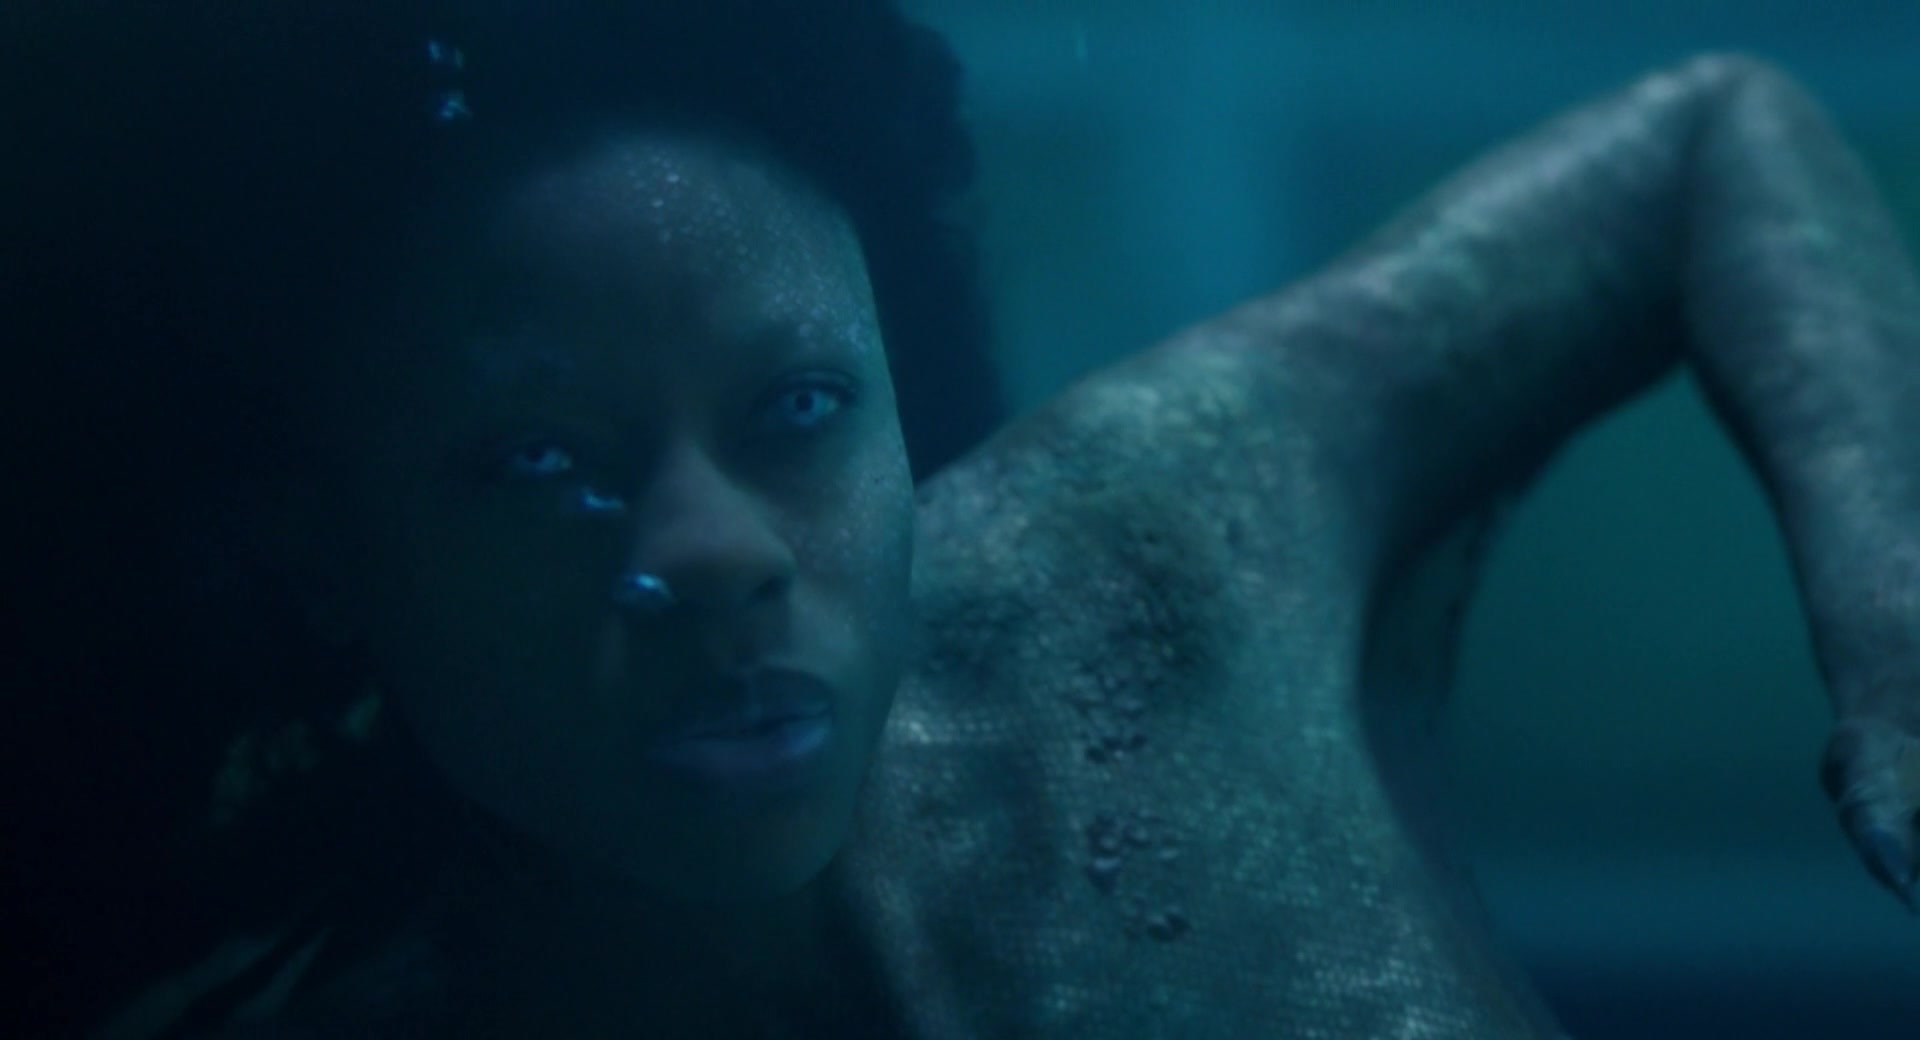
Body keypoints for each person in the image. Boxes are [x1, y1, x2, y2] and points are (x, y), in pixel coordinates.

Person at [6, 2, 1917, 1037]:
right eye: (538, 462)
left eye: (797, 411)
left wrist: (1901, 635)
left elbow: (1706, 137)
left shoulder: (1147, 551)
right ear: (311, 556)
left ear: (900, 399)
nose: (713, 547)